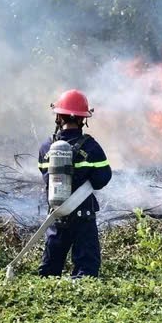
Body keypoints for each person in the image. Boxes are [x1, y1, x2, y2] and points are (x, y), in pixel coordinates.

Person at [37, 89, 112, 277]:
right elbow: (103, 178)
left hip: (57, 214)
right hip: (83, 217)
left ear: (59, 117)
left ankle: (47, 301)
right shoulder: (91, 147)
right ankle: (80, 301)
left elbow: (44, 173)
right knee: (86, 269)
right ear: (82, 119)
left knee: (49, 270)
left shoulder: (46, 147)